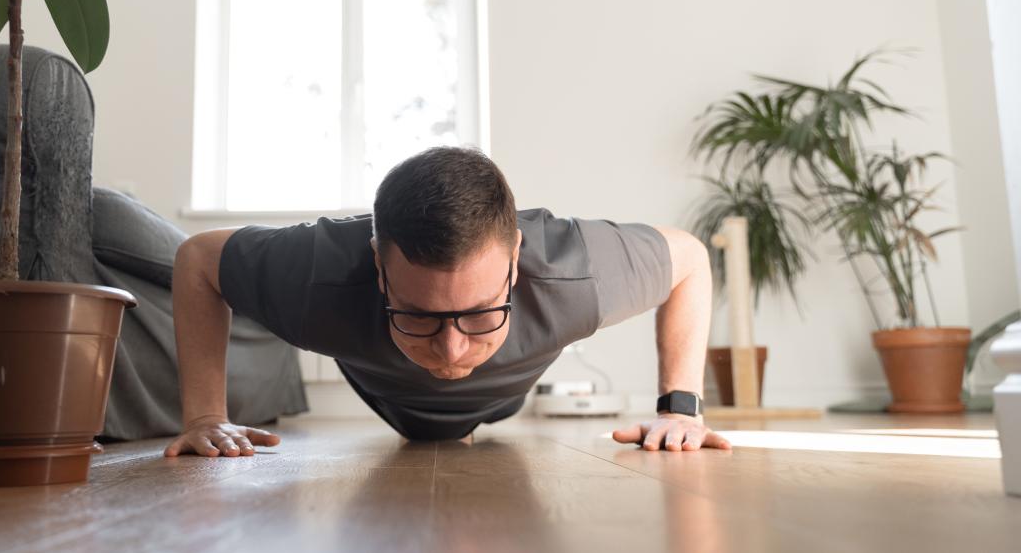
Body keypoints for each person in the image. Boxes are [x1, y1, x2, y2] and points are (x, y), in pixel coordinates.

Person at [164, 146, 731, 457]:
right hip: (387, 397)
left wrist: (680, 409)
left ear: (516, 260)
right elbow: (197, 261)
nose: (452, 350)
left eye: (482, 314)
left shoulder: (575, 271)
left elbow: (690, 260)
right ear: (378, 268)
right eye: (419, 316)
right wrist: (206, 416)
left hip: (507, 395)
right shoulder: (317, 274)